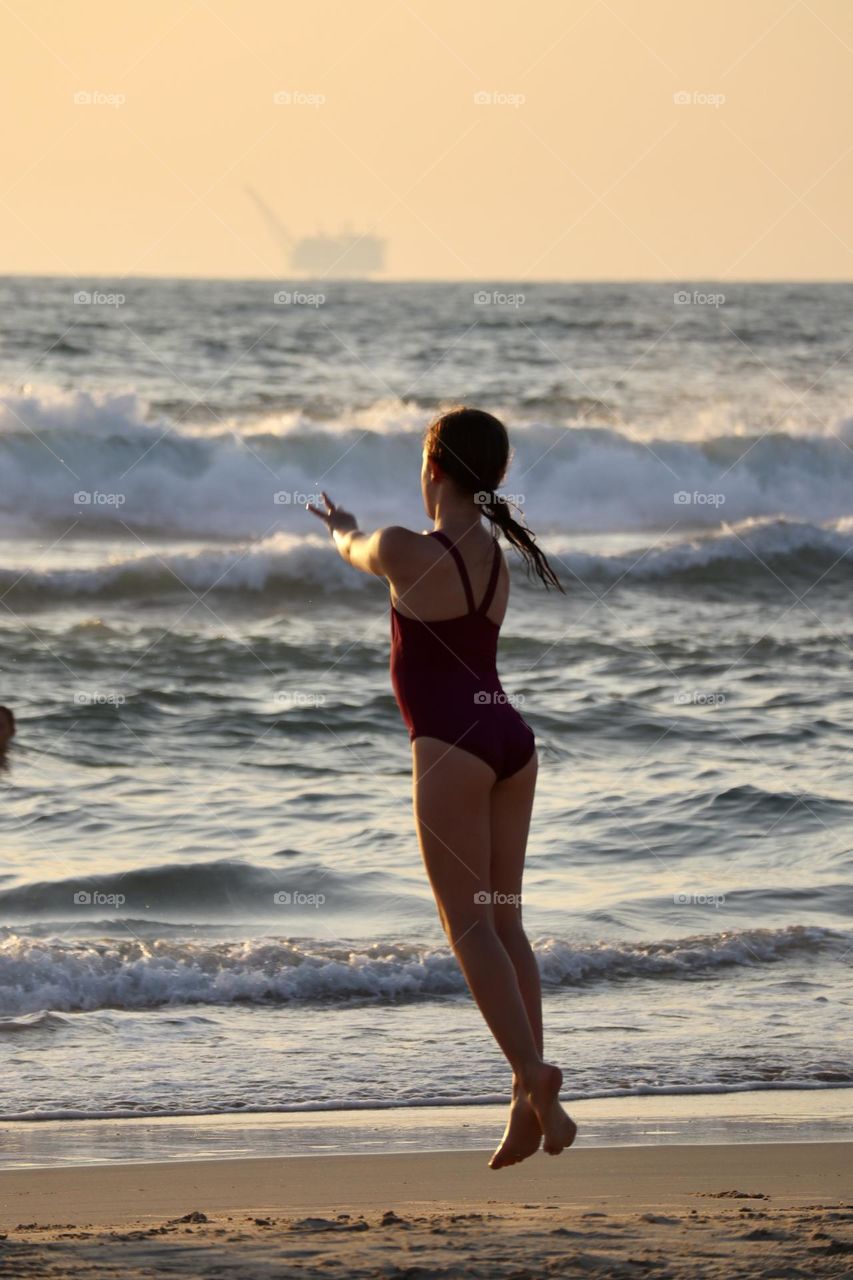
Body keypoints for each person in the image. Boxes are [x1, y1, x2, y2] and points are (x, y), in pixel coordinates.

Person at [307, 406, 576, 1169]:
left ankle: (531, 1075)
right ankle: (530, 1103)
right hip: (509, 742)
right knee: (506, 924)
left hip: (451, 748)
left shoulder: (402, 548)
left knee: (469, 931)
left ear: (433, 469)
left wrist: (340, 526)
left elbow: (353, 548)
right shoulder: (493, 555)